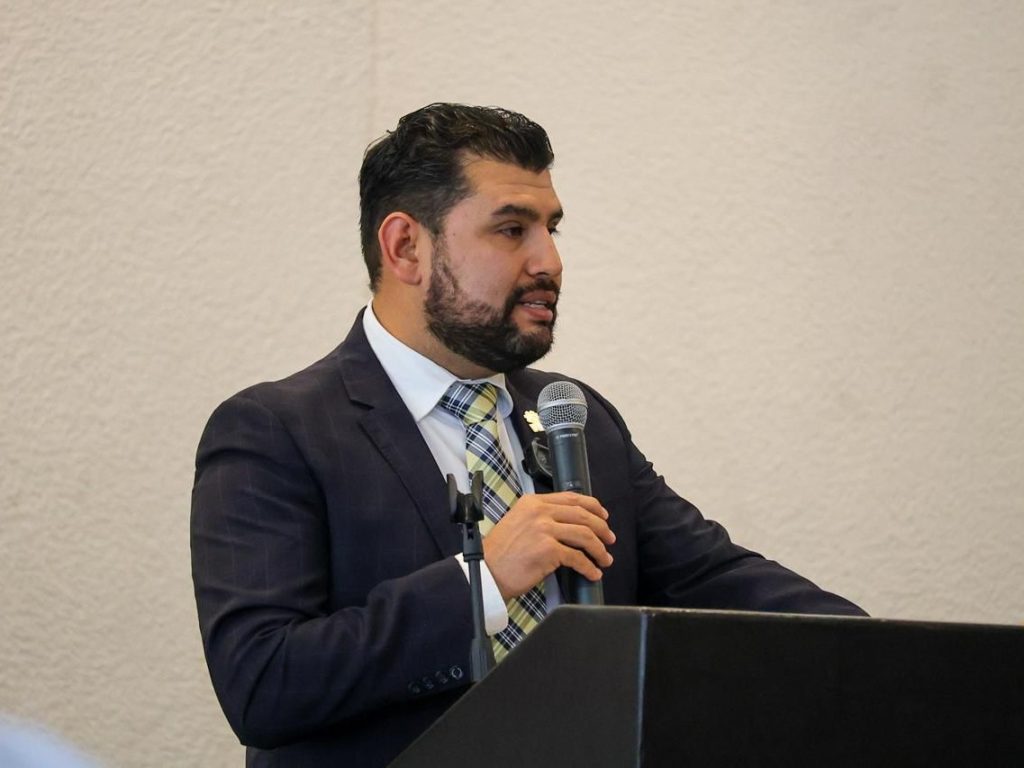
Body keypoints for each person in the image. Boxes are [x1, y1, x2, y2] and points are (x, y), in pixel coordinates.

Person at [191, 103, 865, 767]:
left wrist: (884, 653)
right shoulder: (278, 431)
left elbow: (714, 579)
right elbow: (263, 684)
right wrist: (482, 579)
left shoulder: (575, 416)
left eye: (552, 229)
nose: (550, 261)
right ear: (406, 248)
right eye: (512, 230)